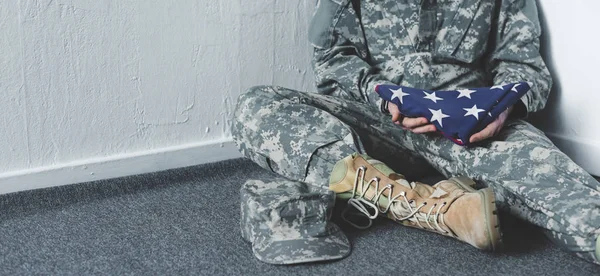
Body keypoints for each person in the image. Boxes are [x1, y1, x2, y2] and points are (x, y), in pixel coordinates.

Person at [232, 0, 600, 264]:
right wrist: (379, 94)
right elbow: (332, 59)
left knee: (578, 203)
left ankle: (393, 196)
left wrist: (502, 109)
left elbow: (525, 70)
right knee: (256, 106)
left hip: (471, 129)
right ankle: (430, 207)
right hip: (375, 122)